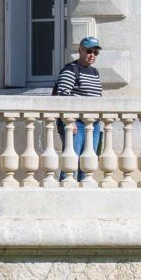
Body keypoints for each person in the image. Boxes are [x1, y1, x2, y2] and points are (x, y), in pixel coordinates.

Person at [52, 36, 104, 181]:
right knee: (71, 162)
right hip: (76, 123)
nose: (92, 55)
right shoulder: (71, 69)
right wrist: (70, 121)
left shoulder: (95, 72)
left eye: (95, 52)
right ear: (80, 50)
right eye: (89, 51)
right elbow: (63, 94)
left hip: (93, 124)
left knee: (88, 164)